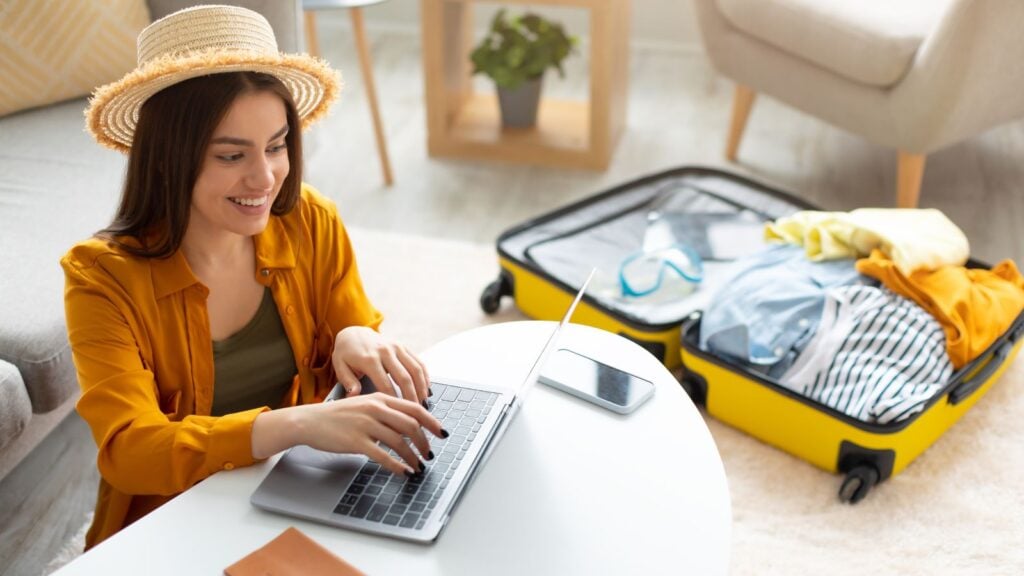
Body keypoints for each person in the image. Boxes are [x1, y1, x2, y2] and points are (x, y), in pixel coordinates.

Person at [61, 5, 442, 549]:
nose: (265, 177)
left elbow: (355, 344)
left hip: (297, 495)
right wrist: (296, 425)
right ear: (168, 158)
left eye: (277, 145)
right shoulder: (100, 279)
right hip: (173, 523)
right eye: (232, 154)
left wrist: (359, 337)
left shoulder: (311, 222)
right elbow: (129, 450)